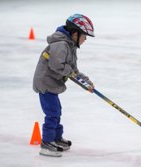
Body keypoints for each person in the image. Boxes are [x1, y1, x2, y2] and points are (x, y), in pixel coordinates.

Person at [33, 14, 95, 157]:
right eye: (84, 36)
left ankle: (56, 138)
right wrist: (73, 74)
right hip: (46, 82)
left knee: (57, 111)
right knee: (53, 112)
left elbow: (72, 70)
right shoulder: (60, 45)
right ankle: (47, 143)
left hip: (52, 82)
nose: (85, 40)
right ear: (75, 34)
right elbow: (57, 65)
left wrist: (86, 83)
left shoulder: (69, 45)